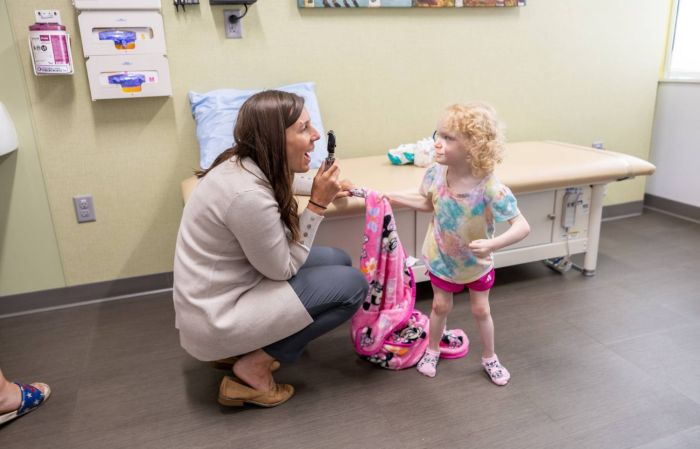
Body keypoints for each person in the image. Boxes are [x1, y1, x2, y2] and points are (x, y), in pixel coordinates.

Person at [173, 90, 368, 408]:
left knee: (338, 259)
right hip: (219, 316)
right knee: (352, 286)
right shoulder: (248, 196)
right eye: (304, 128)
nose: (316, 134)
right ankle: (254, 368)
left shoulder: (241, 162)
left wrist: (320, 186)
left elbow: (280, 181)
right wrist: (317, 204)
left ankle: (248, 348)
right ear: (276, 140)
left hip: (220, 293)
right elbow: (283, 268)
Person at [386, 102, 530, 385]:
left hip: (476, 263)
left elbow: (522, 226)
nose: (437, 144)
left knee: (481, 310)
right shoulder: (436, 174)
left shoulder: (490, 188)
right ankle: (432, 349)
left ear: (473, 145)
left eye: (448, 138)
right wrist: (392, 197)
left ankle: (489, 356)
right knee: (440, 307)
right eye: (437, 135)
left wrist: (493, 244)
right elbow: (429, 204)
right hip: (441, 257)